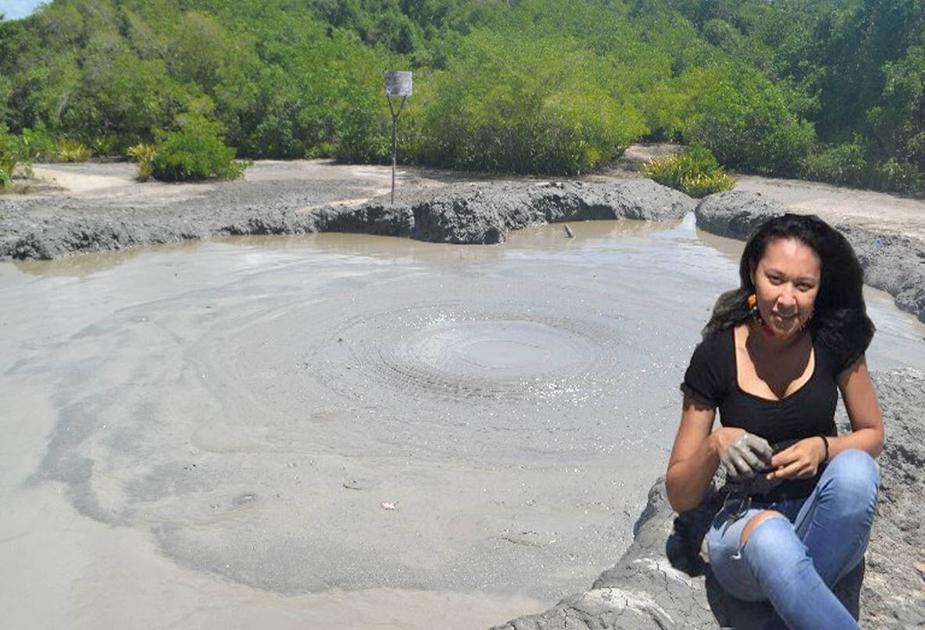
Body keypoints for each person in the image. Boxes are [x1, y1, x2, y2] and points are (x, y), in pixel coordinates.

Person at [665, 213, 883, 629]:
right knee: (771, 538)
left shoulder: (836, 339)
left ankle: (792, 607)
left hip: (823, 522)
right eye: (775, 279)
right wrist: (716, 445)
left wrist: (824, 448)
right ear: (753, 273)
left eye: (804, 286)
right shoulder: (716, 354)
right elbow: (679, 494)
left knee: (856, 470)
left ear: (819, 290)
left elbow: (872, 435)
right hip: (746, 528)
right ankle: (803, 602)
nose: (787, 299)